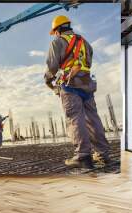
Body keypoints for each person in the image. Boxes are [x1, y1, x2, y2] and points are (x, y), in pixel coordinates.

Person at [44, 15, 112, 169]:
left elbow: (52, 67)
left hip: (70, 85)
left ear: (58, 29)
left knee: (75, 118)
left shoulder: (58, 42)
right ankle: (103, 155)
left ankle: (83, 156)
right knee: (93, 119)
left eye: (55, 31)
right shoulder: (85, 43)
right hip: (87, 84)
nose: (54, 34)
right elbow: (87, 62)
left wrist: (47, 80)